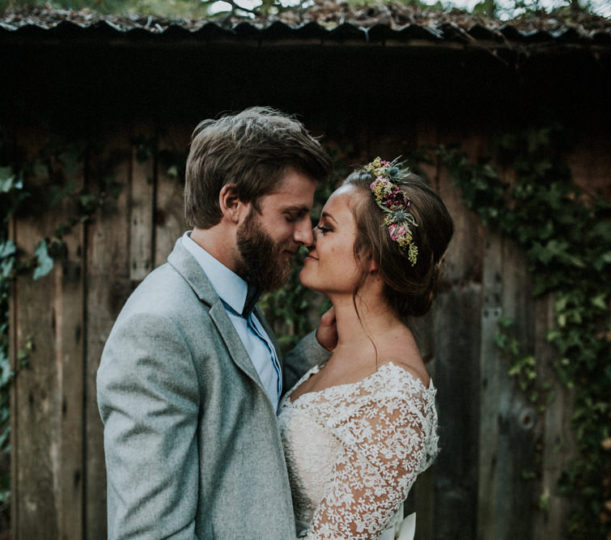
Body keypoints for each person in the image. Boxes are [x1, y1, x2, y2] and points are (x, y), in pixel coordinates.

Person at [96, 107, 335, 539]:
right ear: (233, 203)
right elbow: (151, 531)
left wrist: (317, 346)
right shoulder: (157, 328)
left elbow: (247, 409)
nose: (306, 235)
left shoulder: (236, 290)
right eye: (291, 215)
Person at [278, 157, 454, 540]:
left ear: (373, 256)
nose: (308, 236)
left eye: (327, 228)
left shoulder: (396, 398)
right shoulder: (334, 350)